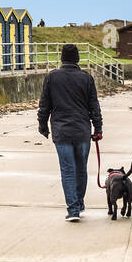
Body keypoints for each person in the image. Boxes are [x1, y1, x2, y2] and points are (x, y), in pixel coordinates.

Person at [37, 43, 103, 222]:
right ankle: (79, 203)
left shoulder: (52, 78)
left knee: (67, 170)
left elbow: (45, 105)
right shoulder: (86, 78)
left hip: (62, 132)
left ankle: (73, 209)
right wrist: (98, 128)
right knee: (81, 169)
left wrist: (42, 126)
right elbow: (94, 106)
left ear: (62, 58)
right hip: (82, 131)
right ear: (77, 59)